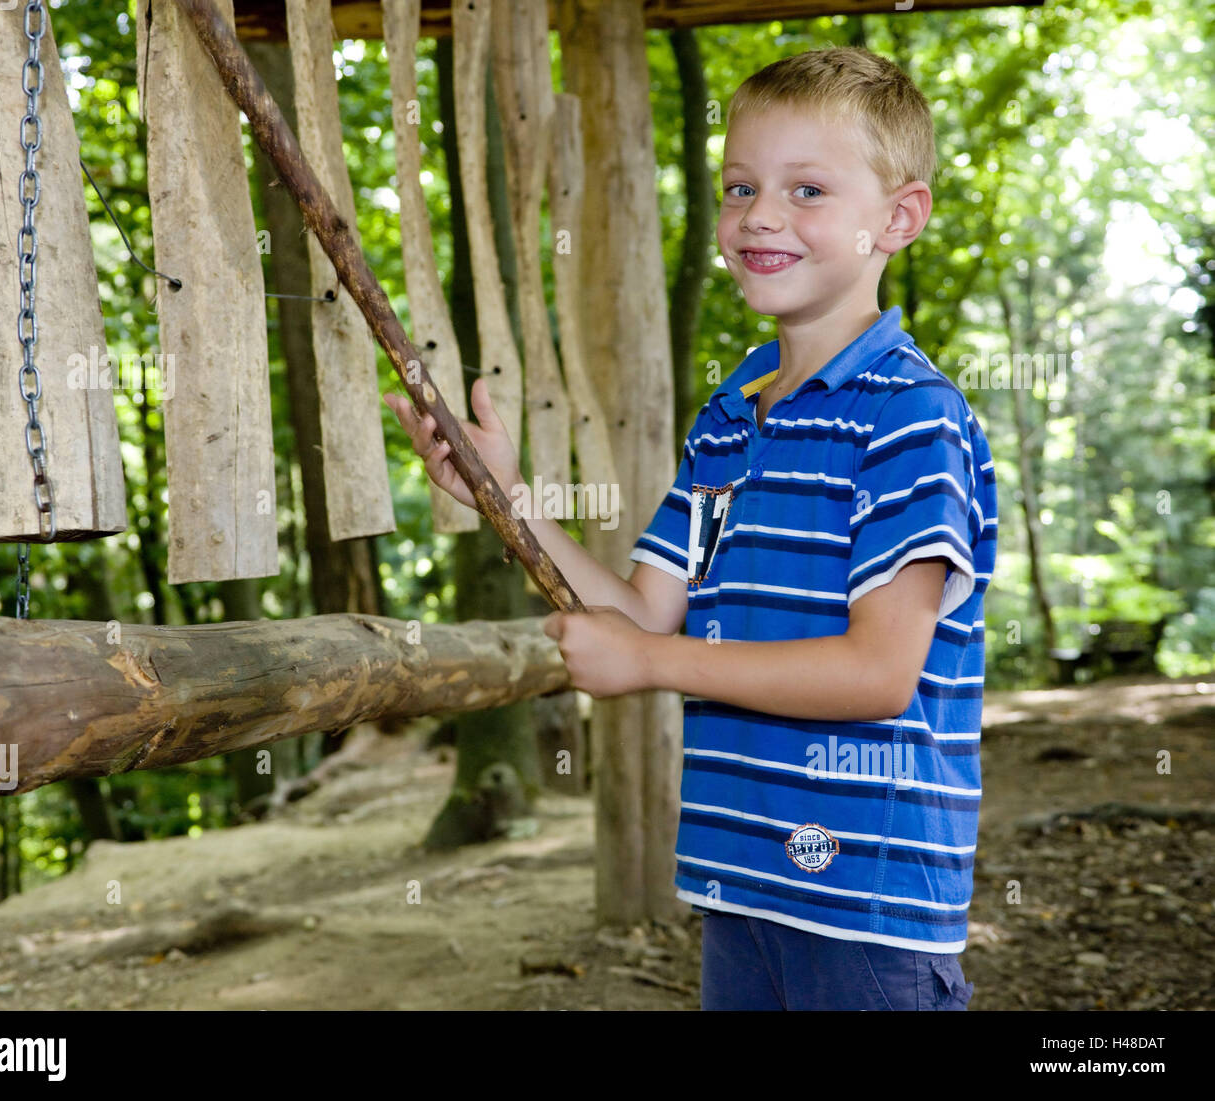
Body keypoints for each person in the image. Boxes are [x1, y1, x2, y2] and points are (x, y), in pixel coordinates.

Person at [384, 44, 998, 1011]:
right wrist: (506, 495)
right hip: (739, 885)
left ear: (898, 218)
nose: (760, 215)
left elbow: (879, 673)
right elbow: (643, 610)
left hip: (867, 905)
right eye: (740, 187)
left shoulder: (910, 416)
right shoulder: (728, 419)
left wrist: (650, 665)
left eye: (806, 190)